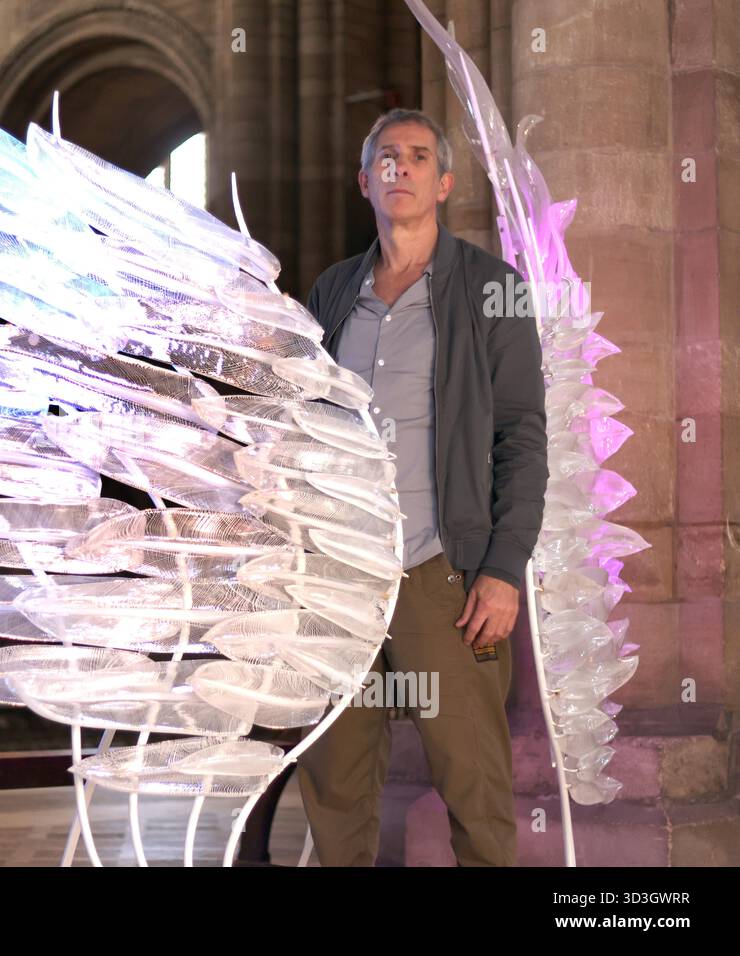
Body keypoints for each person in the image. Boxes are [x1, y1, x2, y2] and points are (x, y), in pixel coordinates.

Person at [295, 108, 548, 866]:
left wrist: (503, 569)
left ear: (443, 183)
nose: (399, 167)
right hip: (340, 575)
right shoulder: (332, 292)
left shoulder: (492, 289)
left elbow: (522, 436)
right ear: (364, 180)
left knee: (475, 786)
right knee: (335, 785)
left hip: (443, 574)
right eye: (385, 157)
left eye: (417, 156)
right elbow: (301, 423)